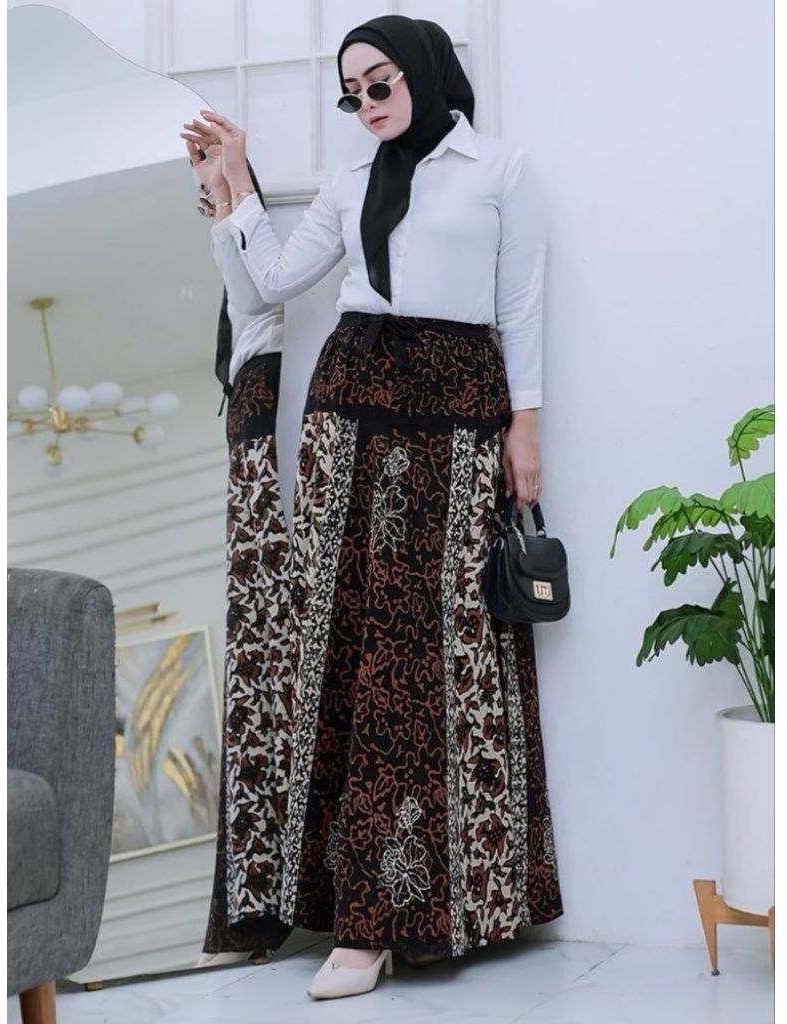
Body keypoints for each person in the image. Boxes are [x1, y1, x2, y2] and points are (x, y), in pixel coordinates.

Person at [181, 14, 564, 1001]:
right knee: (341, 640)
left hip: (456, 407)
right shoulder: (352, 180)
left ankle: (410, 912)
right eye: (352, 93)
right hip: (348, 406)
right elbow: (269, 283)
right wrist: (230, 186)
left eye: (380, 82)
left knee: (431, 647)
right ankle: (339, 914)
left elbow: (519, 306)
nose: (367, 104)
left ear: (424, 71)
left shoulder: (499, 170)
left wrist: (525, 428)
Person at [181, 136, 297, 966]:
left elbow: (262, 298)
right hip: (258, 479)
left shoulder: (285, 300)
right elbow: (248, 303)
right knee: (263, 679)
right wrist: (220, 191)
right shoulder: (249, 347)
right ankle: (259, 903)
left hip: (286, 464)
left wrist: (232, 187)